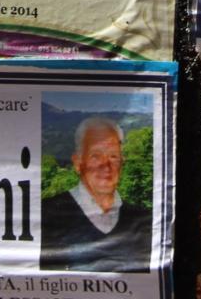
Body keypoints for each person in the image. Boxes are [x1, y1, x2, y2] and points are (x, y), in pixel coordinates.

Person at [39, 116, 151, 273]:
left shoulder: (144, 220)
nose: (106, 165)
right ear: (78, 163)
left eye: (113, 156)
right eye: (95, 156)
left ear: (122, 162)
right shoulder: (46, 214)